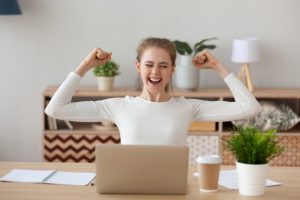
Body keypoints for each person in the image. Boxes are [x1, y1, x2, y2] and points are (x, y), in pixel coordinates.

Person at [45, 37, 261, 146]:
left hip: (174, 192)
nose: (155, 72)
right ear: (138, 66)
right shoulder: (118, 106)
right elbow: (55, 109)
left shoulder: (188, 107)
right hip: (129, 191)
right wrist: (85, 64)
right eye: (149, 64)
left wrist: (217, 66)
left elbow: (250, 108)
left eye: (164, 66)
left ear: (172, 70)